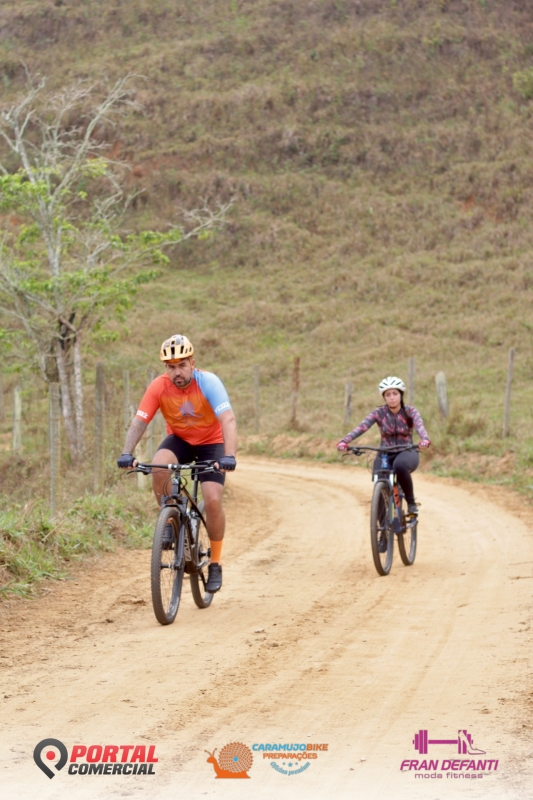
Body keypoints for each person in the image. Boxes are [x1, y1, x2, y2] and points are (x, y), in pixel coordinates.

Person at [117, 334, 237, 593]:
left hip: (211, 443)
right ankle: (170, 520)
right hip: (180, 440)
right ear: (165, 368)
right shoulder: (159, 386)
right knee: (159, 467)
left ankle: (215, 563)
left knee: (212, 499)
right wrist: (127, 452)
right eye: (171, 367)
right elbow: (140, 420)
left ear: (192, 363)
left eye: (182, 365)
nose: (177, 372)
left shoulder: (209, 382)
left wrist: (229, 456)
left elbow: (228, 419)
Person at [337, 376, 430, 515]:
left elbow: (420, 426)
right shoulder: (379, 413)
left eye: (395, 393)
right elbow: (362, 427)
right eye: (388, 395)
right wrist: (344, 441)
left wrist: (424, 439)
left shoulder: (410, 411)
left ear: (401, 394)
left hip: (407, 451)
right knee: (379, 481)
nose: (392, 398)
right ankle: (381, 525)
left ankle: (411, 503)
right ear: (384, 397)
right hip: (385, 453)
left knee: (400, 465)